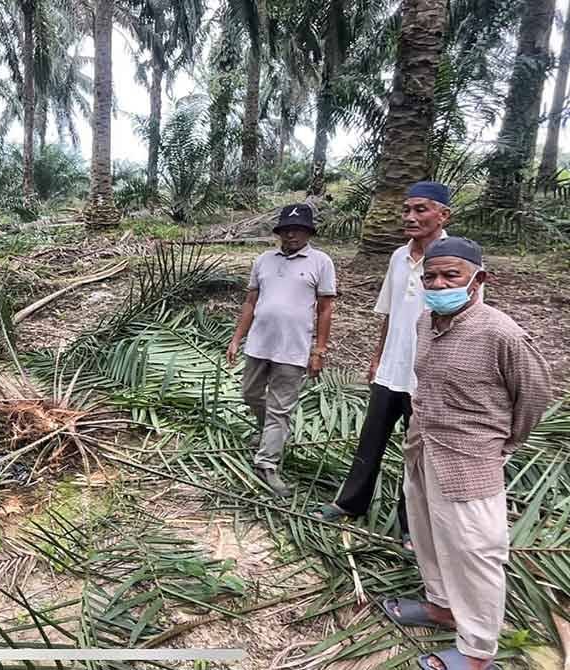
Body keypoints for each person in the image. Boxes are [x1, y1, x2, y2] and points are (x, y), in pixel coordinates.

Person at [380, 237, 551, 670]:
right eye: (431, 276)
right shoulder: (425, 322)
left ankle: (477, 652)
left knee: (476, 552)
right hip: (424, 448)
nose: (439, 284)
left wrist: (502, 445)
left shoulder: (502, 334)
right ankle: (441, 605)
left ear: (478, 280)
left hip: (471, 460)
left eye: (450, 275)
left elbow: (533, 397)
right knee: (429, 534)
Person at [316, 181, 454, 550]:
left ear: (444, 214)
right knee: (370, 439)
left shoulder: (454, 260)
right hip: (393, 368)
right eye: (406, 210)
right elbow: (390, 313)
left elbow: (465, 322)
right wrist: (377, 357)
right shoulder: (398, 257)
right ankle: (350, 503)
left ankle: (412, 526)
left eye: (421, 210)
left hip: (427, 376)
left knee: (418, 454)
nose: (410, 217)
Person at [226, 204, 336, 497]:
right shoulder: (263, 260)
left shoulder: (321, 262)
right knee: (249, 393)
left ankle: (267, 463)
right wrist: (237, 338)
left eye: (298, 229)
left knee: (280, 407)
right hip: (260, 344)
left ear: (309, 232)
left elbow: (325, 309)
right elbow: (251, 302)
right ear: (279, 233)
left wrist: (319, 350)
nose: (291, 235)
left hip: (293, 348)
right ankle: (268, 434)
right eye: (286, 230)